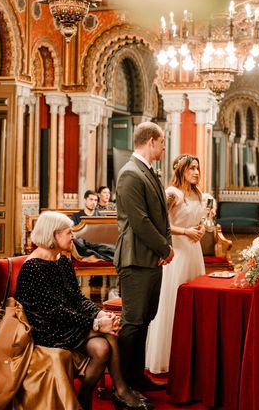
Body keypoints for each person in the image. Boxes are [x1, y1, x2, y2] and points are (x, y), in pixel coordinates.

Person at [15, 211, 151, 410]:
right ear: (54, 235)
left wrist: (98, 314)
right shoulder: (33, 267)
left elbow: (77, 298)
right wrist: (95, 323)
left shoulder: (62, 260)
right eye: (69, 232)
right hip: (47, 329)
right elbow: (53, 312)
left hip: (67, 323)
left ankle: (85, 397)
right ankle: (121, 391)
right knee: (109, 332)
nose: (73, 236)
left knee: (102, 348)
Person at [115, 122, 174, 395]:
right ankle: (123, 384)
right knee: (133, 322)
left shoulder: (147, 170)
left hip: (150, 259)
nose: (164, 147)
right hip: (135, 259)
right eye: (162, 142)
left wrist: (165, 246)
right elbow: (140, 221)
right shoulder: (130, 174)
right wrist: (165, 248)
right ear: (150, 141)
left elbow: (160, 217)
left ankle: (137, 378)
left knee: (145, 319)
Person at [146, 154, 208, 374]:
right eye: (192, 168)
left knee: (193, 301)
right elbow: (160, 223)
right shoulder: (172, 193)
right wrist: (185, 231)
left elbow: (198, 220)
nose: (196, 172)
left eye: (198, 168)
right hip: (178, 252)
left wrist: (199, 229)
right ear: (181, 170)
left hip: (194, 251)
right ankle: (166, 359)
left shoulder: (197, 193)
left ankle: (189, 355)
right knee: (173, 301)